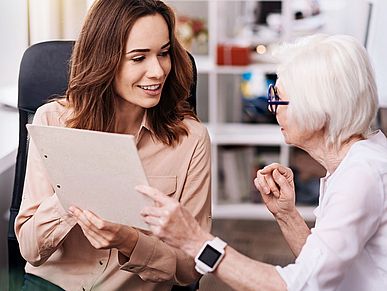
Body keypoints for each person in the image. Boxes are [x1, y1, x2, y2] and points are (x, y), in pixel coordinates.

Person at [138, 34, 387, 291]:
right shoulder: (356, 163)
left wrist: (196, 241)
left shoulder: (362, 176)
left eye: (278, 98)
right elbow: (322, 269)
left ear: (316, 108)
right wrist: (286, 215)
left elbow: (300, 286)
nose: (272, 109)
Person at [15, 0, 211, 290]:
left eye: (164, 53)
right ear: (103, 60)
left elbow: (191, 268)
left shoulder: (190, 140)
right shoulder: (52, 119)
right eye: (138, 58)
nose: (158, 71)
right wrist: (72, 191)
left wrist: (130, 242)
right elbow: (29, 249)